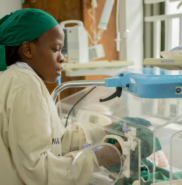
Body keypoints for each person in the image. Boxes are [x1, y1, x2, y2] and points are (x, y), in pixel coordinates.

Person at [0, 8, 121, 185]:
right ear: (28, 49)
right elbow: (37, 170)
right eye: (55, 49)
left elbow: (56, 140)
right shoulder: (24, 84)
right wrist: (97, 158)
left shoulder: (16, 79)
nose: (62, 58)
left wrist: (106, 130)